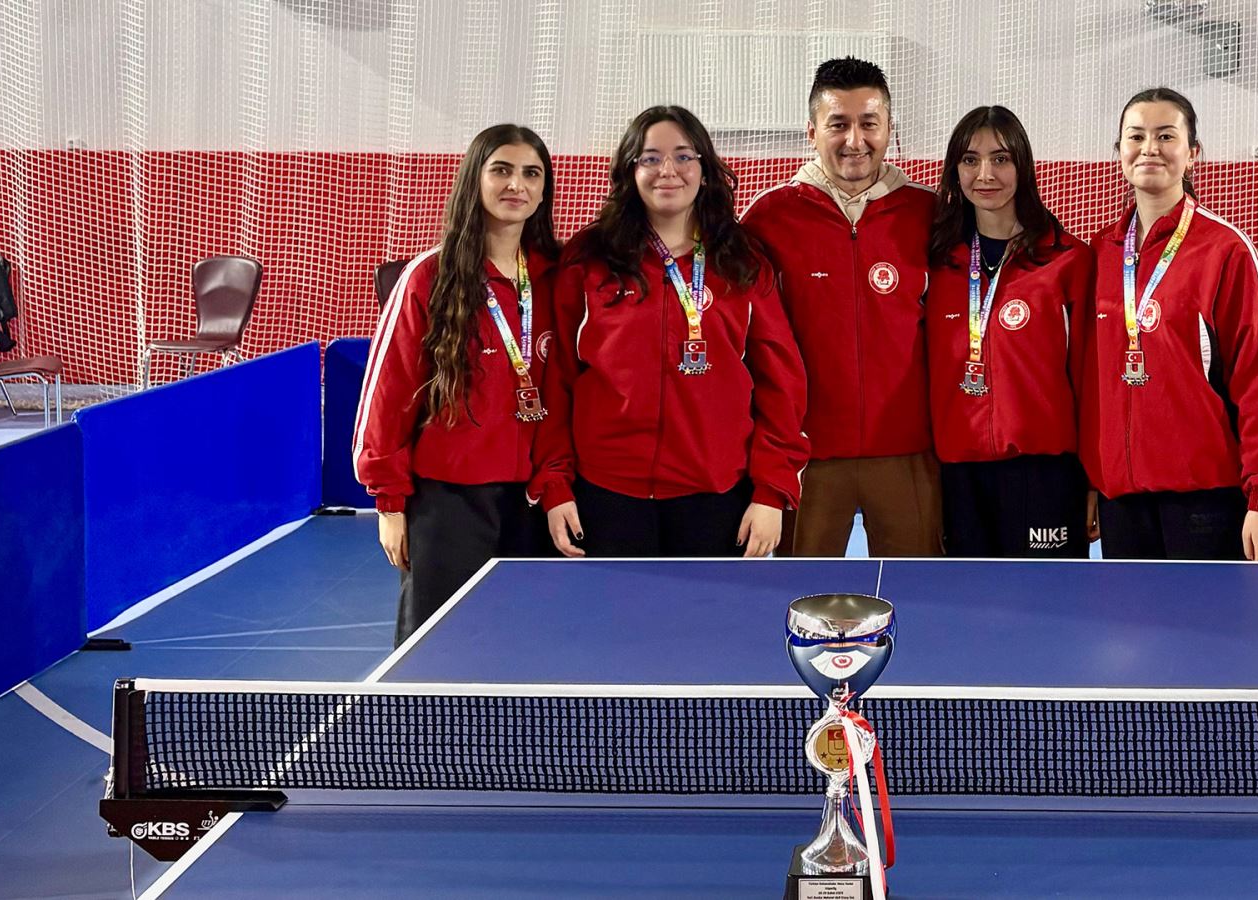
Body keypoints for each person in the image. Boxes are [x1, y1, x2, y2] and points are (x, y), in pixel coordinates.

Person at [530, 106, 808, 558]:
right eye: (650, 158)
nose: (668, 170)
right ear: (630, 170)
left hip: (717, 496)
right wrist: (556, 483)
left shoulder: (742, 260)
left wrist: (771, 491)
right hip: (605, 495)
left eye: (683, 156)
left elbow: (782, 383)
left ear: (705, 169)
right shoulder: (589, 258)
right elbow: (555, 378)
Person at [1079, 87, 1258, 561]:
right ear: (1119, 151)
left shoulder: (1224, 250)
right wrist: (1091, 480)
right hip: (1123, 502)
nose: (1150, 148)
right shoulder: (1099, 254)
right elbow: (1088, 383)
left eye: (1166, 136)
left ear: (1192, 153)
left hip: (1205, 502)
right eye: (1136, 136)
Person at [354, 123, 560, 644]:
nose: (517, 184)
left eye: (531, 173)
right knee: (438, 652)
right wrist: (390, 503)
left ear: (544, 189)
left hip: (532, 501)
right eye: (502, 170)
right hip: (448, 502)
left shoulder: (555, 277)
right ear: (474, 179)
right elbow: (388, 395)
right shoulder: (429, 277)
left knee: (524, 647)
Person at [743, 56, 941, 557]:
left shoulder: (932, 214)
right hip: (806, 455)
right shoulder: (768, 218)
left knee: (916, 592)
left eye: (869, 123)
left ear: (890, 130)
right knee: (802, 595)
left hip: (908, 452)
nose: (855, 140)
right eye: (838, 124)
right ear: (811, 132)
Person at [926, 106, 1094, 558]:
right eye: (970, 159)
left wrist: (1093, 479)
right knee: (969, 599)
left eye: (1000, 159)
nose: (985, 174)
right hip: (959, 475)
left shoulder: (1068, 261)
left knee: (1049, 598)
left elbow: (1090, 380)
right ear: (954, 170)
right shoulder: (936, 262)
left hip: (1046, 474)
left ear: (1023, 165)